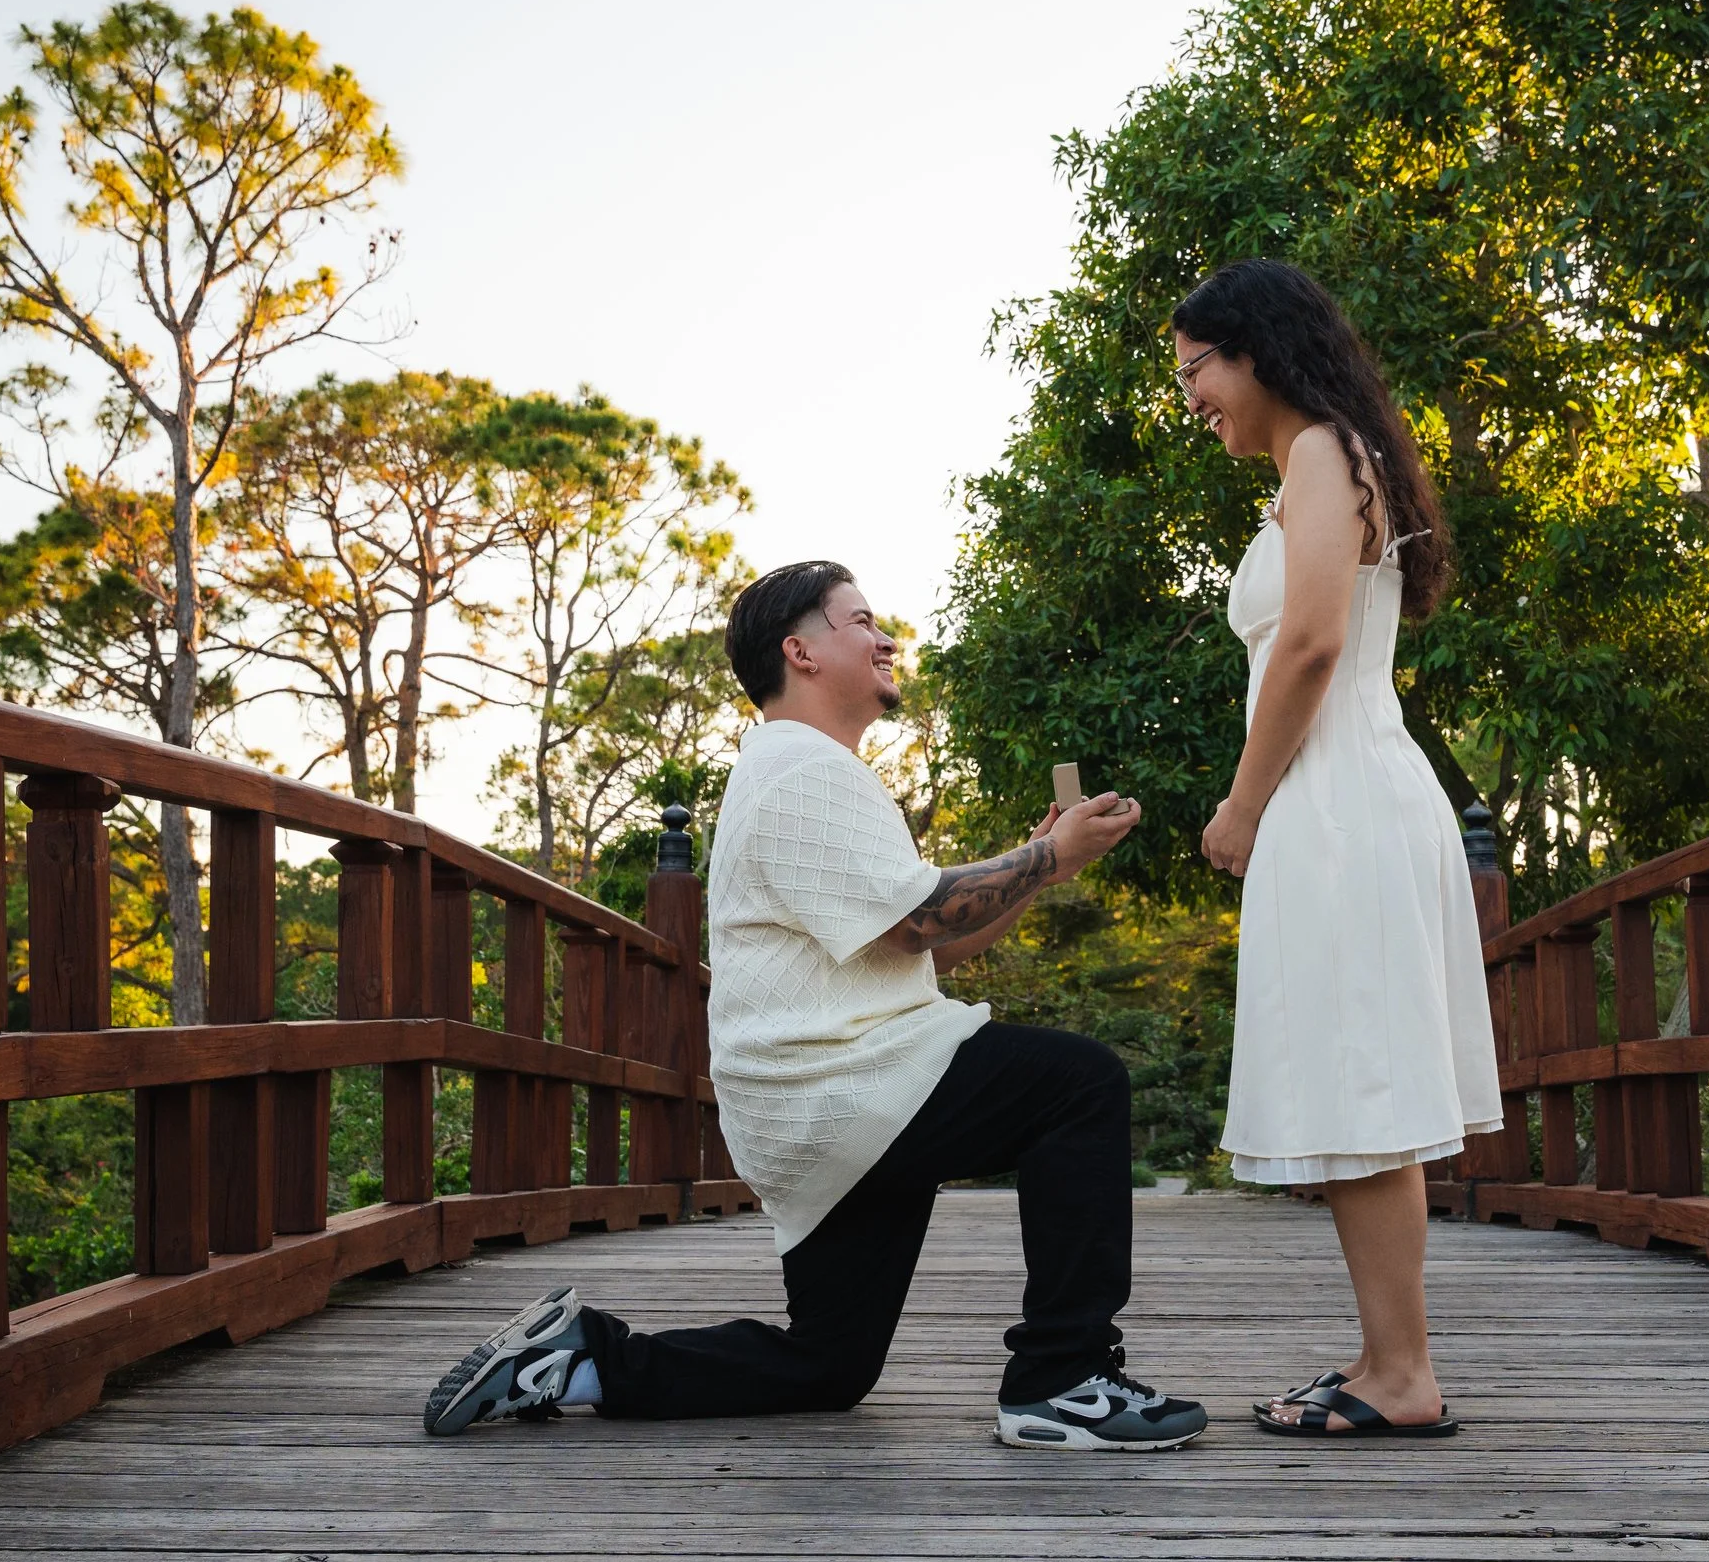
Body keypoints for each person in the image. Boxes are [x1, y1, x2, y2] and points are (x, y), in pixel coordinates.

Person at [422, 561, 1208, 1452]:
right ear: (799, 650)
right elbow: (920, 918)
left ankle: (580, 1359)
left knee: (830, 1362)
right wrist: (1046, 861)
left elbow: (931, 940)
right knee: (1079, 1082)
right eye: (859, 620)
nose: (884, 638)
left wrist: (1035, 867)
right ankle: (1064, 1379)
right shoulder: (803, 769)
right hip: (846, 1081)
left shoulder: (795, 770)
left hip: (818, 1099)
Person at [1175, 259, 1502, 1438]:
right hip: (1350, 791)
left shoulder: (1319, 452)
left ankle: (1402, 1373)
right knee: (1361, 1075)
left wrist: (1243, 805)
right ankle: (1382, 1359)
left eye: (1197, 367)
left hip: (1337, 795)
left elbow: (1310, 642)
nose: (1192, 395)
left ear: (1255, 349)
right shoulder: (1327, 460)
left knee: (1367, 1079)